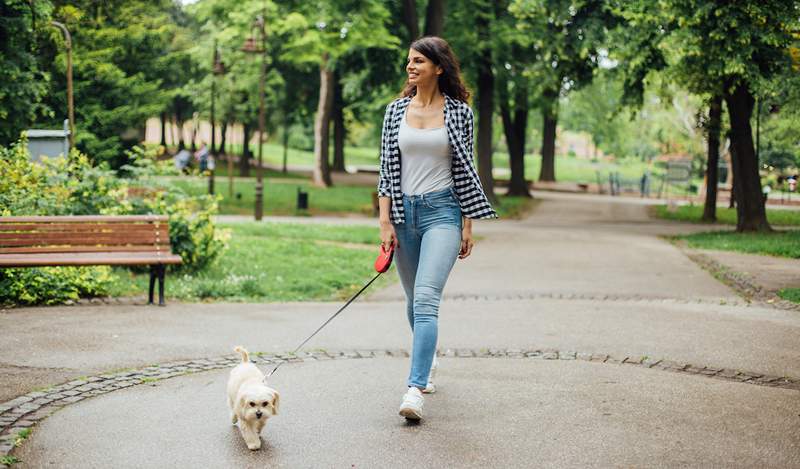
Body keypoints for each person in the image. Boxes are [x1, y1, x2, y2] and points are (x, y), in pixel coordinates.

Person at [377, 36, 498, 421]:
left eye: (418, 61)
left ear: (438, 67)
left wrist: (467, 224)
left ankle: (415, 388)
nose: (410, 67)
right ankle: (427, 362)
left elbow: (467, 171)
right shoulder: (395, 111)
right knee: (414, 303)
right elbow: (385, 171)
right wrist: (385, 222)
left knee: (427, 300)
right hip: (403, 216)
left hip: (442, 212)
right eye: (409, 61)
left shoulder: (460, 113)